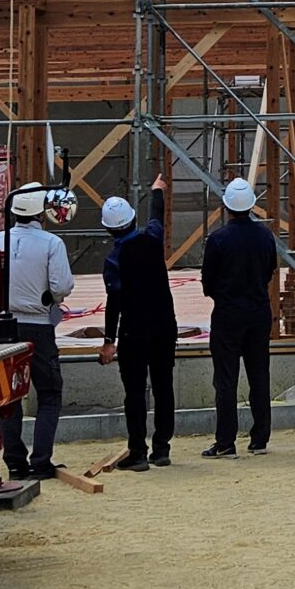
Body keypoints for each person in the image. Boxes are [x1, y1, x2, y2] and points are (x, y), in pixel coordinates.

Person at [0, 180, 75, 481]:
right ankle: (42, 461)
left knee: (8, 397)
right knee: (49, 393)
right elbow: (61, 286)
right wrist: (53, 297)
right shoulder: (51, 244)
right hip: (38, 326)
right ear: (41, 212)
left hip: (1, 328)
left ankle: (15, 461)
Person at [98, 179, 176, 471]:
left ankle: (138, 452)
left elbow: (114, 302)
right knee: (163, 386)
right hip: (164, 326)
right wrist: (157, 190)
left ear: (108, 229)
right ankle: (162, 448)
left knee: (134, 391)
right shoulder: (153, 240)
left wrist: (109, 340)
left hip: (134, 331)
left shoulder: (115, 259)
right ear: (132, 219)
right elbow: (156, 217)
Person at [200, 176, 278, 457]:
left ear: (227, 206)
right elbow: (270, 270)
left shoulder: (218, 239)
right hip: (259, 312)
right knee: (259, 375)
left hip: (228, 314)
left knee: (225, 379)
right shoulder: (266, 236)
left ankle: (226, 443)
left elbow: (207, 280)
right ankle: (260, 439)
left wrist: (222, 294)